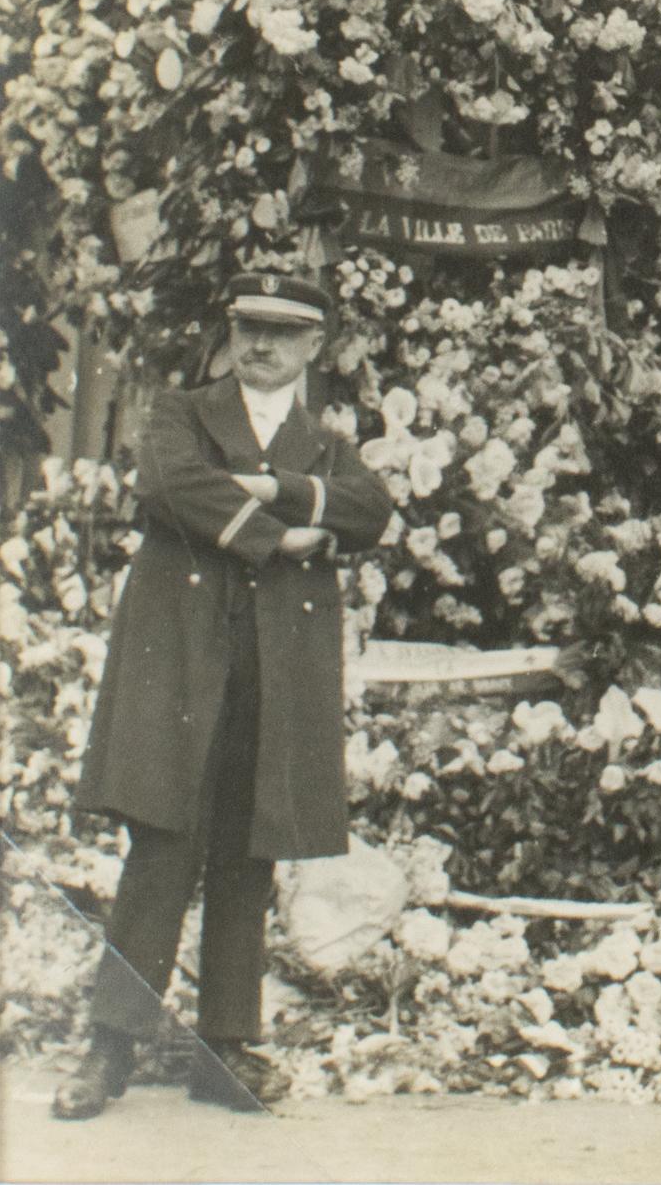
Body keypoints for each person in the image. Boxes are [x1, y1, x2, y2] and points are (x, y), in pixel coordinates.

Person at [53, 270, 393, 1119]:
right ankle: (111, 1045)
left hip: (277, 666)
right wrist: (286, 538)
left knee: (250, 849)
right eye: (249, 327)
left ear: (315, 346)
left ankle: (226, 1049)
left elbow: (372, 509)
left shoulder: (322, 441)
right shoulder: (181, 413)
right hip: (184, 659)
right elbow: (172, 486)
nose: (262, 346)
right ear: (231, 331)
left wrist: (275, 488)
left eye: (283, 332)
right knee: (162, 843)